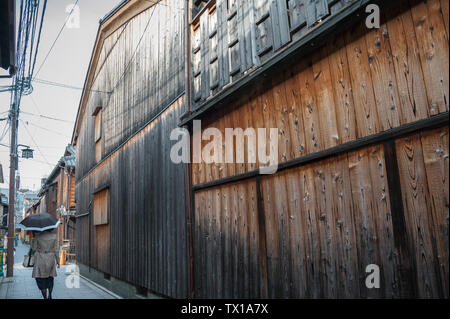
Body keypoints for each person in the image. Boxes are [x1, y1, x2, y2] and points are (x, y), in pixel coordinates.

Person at [30, 230, 60, 299]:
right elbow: (56, 250)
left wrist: (34, 238)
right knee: (50, 278)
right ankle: (50, 295)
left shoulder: (38, 236)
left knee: (41, 279)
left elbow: (34, 248)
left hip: (40, 259)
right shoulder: (54, 236)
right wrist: (58, 261)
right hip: (51, 258)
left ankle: (45, 297)